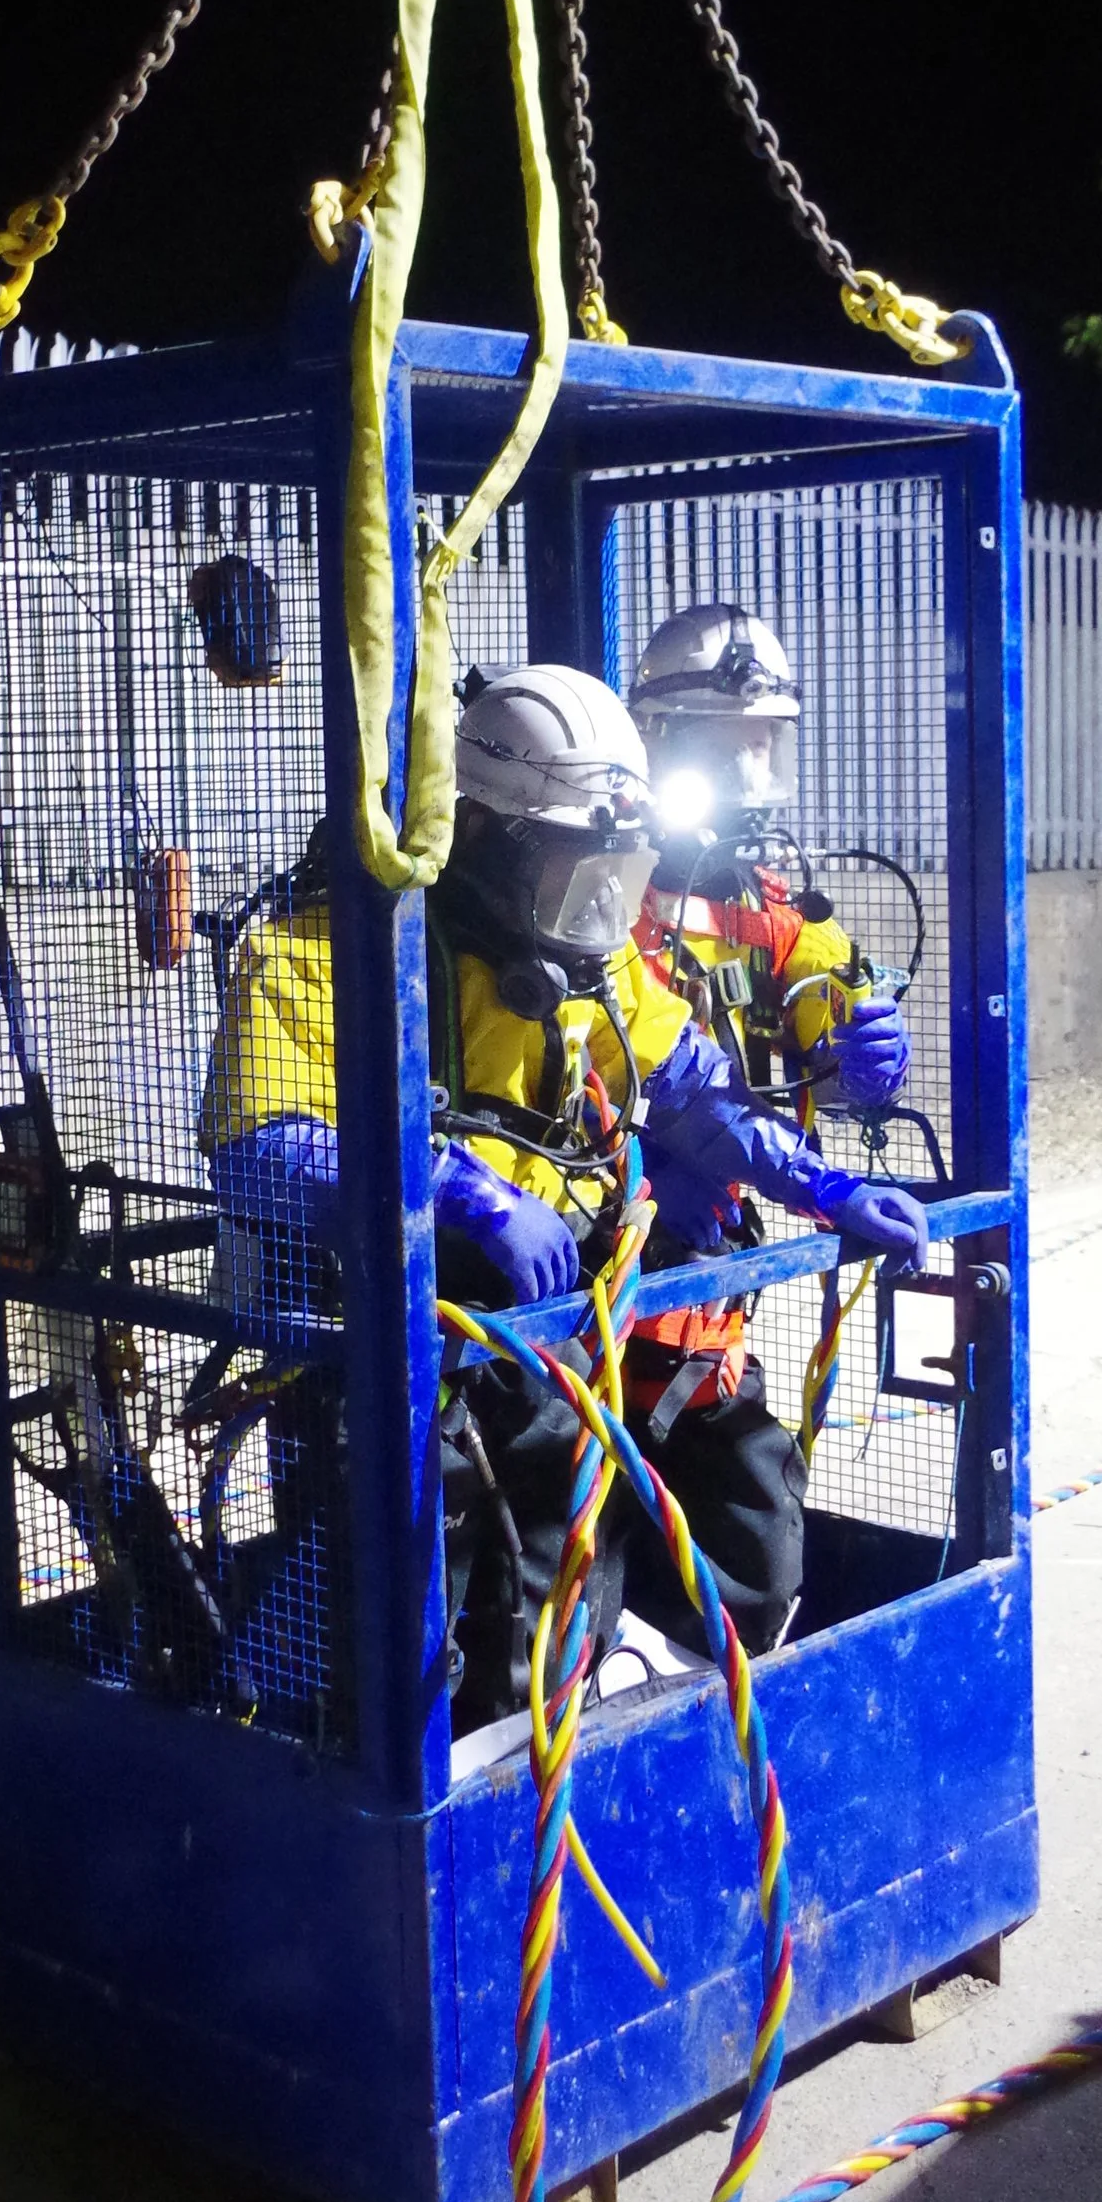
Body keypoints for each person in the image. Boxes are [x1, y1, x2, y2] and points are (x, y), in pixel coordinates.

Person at [199, 663, 928, 1730]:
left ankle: (558, 1771)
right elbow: (257, 1148)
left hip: (542, 1344)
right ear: (487, 840)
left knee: (558, 1597)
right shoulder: (322, 954)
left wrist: (826, 1185)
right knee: (420, 1626)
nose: (598, 906)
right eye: (571, 867)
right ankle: (420, 1812)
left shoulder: (594, 972)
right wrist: (456, 1192)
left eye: (614, 873)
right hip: (390, 1348)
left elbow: (694, 1097)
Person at [624, 601, 918, 1470]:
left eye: (763, 744)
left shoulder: (775, 908)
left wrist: (867, 1063)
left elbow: (830, 1029)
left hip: (712, 1267)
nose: (749, 771)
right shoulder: (603, 892)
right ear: (662, 741)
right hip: (605, 1245)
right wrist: (653, 1168)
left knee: (738, 1505)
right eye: (727, 745)